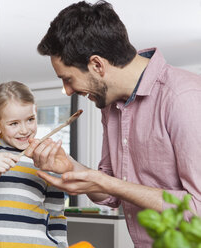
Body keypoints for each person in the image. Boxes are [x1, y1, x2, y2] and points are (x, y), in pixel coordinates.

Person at [24, 1, 201, 247]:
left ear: (97, 65)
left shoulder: (184, 97)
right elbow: (109, 194)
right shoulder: (110, 106)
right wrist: (69, 166)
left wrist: (109, 183)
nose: (67, 91)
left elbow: (198, 208)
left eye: (68, 79)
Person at [0, 81, 68, 248]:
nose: (24, 130)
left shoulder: (44, 157)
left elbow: (56, 213)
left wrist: (62, 245)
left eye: (30, 119)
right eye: (14, 123)